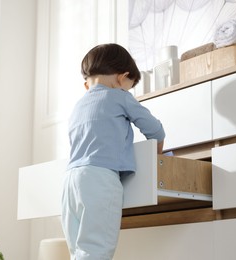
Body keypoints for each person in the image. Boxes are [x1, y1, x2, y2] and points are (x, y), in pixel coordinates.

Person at [61, 43, 165, 260]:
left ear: (86, 85)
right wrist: (157, 156)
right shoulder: (119, 96)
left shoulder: (78, 105)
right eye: (128, 86)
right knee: (97, 250)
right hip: (100, 179)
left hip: (71, 181)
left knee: (78, 252)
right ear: (121, 78)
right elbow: (155, 130)